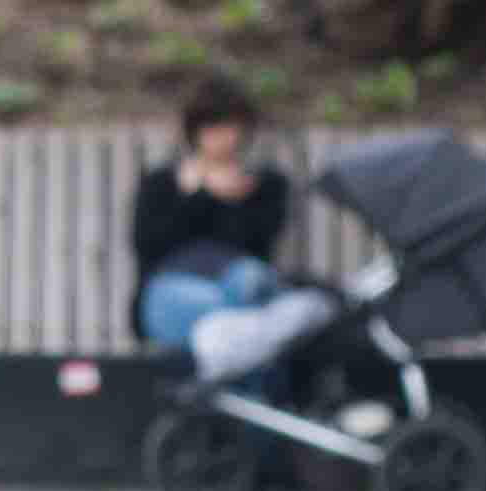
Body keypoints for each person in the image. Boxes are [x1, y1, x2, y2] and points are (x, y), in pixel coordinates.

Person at [130, 78, 336, 389]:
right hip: (175, 290)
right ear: (195, 132)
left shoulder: (265, 186)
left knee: (250, 280)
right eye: (213, 128)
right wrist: (197, 196)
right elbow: (149, 246)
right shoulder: (162, 183)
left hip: (243, 288)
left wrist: (231, 200)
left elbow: (255, 246)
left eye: (232, 127)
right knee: (250, 322)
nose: (224, 139)